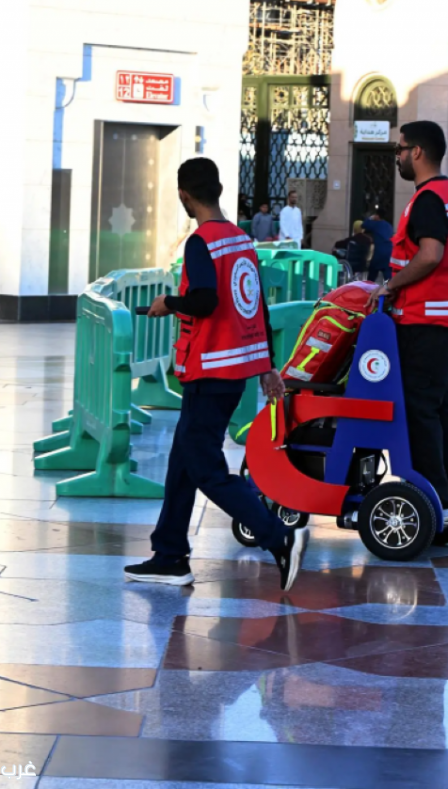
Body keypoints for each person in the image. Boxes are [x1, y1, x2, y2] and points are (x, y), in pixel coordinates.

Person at [124, 157, 308, 591]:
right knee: (183, 461)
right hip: (234, 369)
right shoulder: (241, 240)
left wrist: (169, 303)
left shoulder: (201, 242)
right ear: (219, 190)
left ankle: (277, 536)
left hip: (209, 369)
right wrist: (266, 366)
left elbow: (205, 301)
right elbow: (254, 303)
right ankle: (170, 554)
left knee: (204, 466)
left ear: (184, 195)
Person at [381, 120, 448, 529]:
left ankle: (435, 494)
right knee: (441, 409)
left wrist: (389, 286)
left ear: (416, 152)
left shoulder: (427, 199)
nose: (398, 157)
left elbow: (431, 254)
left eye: (400, 149)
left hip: (427, 319)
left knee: (420, 411)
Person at [362, 207, 394, 281]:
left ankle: (369, 290)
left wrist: (370, 218)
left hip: (379, 253)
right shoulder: (389, 226)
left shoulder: (375, 224)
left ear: (377, 215)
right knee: (388, 278)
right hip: (389, 253)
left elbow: (364, 224)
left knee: (371, 276)